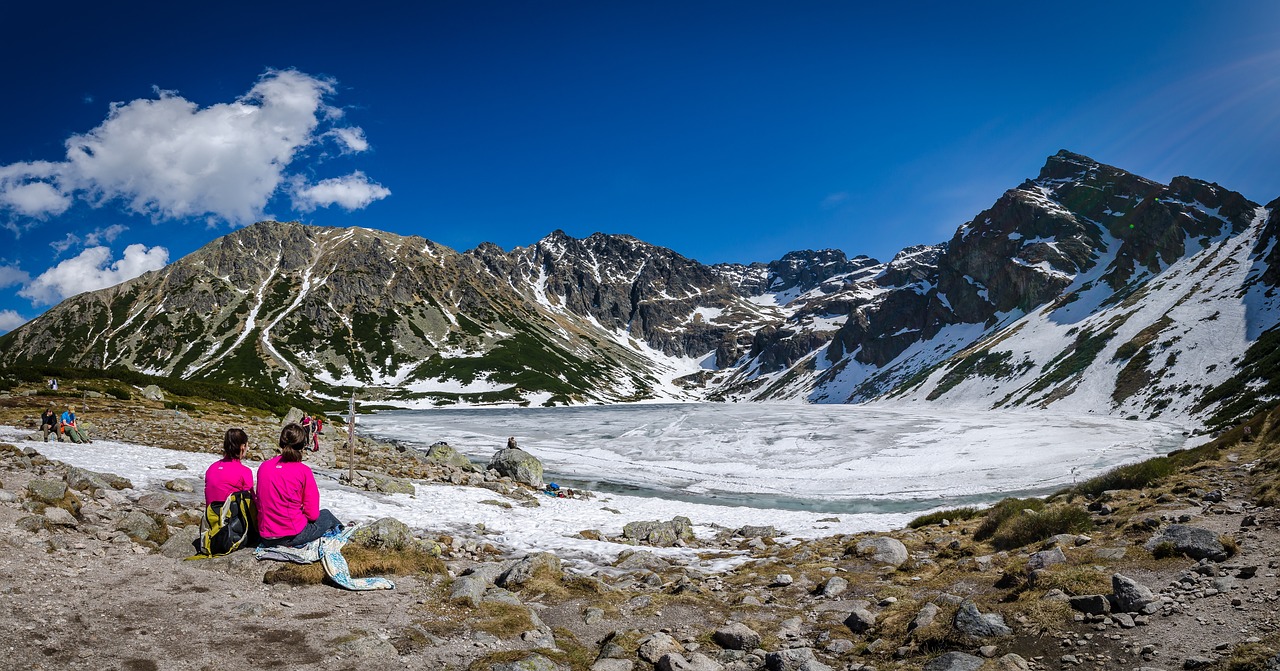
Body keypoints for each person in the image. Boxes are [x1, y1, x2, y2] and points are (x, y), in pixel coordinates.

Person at [257, 423, 340, 546]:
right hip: (290, 536)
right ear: (303, 445)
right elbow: (312, 515)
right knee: (326, 515)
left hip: (265, 536)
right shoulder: (303, 471)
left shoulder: (264, 466)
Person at [205, 428, 254, 505]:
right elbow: (250, 502)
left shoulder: (212, 468)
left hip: (211, 515)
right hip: (230, 516)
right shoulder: (245, 471)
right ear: (243, 447)